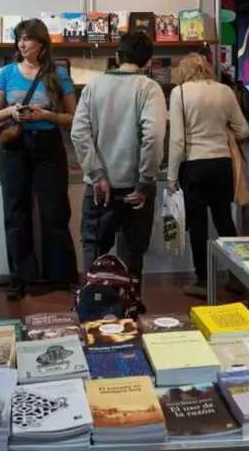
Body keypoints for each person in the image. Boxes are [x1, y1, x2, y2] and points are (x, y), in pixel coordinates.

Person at [71, 31, 167, 306]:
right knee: (132, 252)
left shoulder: (93, 86)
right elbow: (153, 137)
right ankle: (129, 304)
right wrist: (145, 181)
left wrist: (97, 174)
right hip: (135, 190)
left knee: (93, 248)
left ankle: (91, 304)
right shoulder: (149, 88)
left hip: (99, 189)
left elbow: (79, 134)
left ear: (116, 57)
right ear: (148, 62)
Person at [0, 18, 79, 301]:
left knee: (55, 212)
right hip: (15, 147)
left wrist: (47, 115)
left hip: (49, 145)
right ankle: (20, 279)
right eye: (19, 38)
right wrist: (12, 111)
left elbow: (73, 118)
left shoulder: (58, 74)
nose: (22, 44)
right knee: (16, 214)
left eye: (27, 38)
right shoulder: (6, 73)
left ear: (41, 43)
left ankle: (63, 276)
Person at [167, 53, 249, 299]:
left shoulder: (180, 93)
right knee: (225, 220)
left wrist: (171, 175)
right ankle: (237, 277)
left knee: (198, 224)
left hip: (194, 166)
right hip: (222, 164)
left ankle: (203, 279)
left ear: (184, 69)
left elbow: (178, 140)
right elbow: (244, 128)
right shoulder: (225, 91)